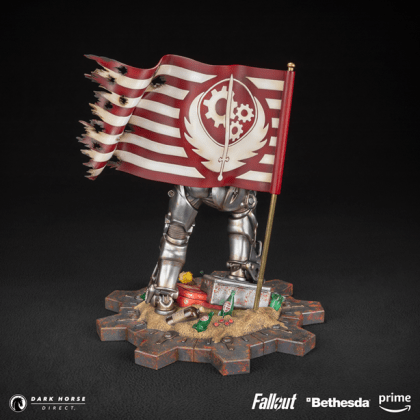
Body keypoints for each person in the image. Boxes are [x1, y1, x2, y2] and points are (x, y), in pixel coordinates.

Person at [145, 185, 262, 315]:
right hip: (233, 191)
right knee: (245, 207)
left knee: (176, 233)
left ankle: (164, 292)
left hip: (198, 186)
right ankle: (239, 271)